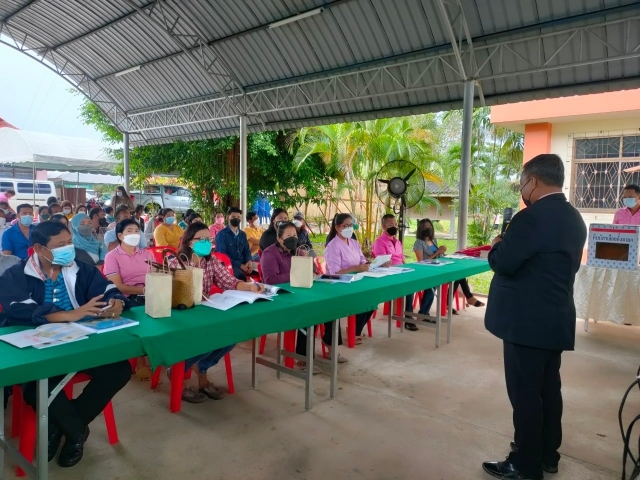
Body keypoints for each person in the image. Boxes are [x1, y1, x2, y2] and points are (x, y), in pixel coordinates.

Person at [482, 154, 587, 480]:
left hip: (526, 322)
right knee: (548, 389)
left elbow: (504, 262)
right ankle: (547, 454)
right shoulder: (574, 217)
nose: (522, 189)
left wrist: (497, 245)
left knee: (525, 394)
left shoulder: (530, 218)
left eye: (523, 182)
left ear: (534, 181)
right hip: (555, 318)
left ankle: (525, 464)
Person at [0, 221, 131, 468]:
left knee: (119, 369)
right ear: (39, 249)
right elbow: (18, 310)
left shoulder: (81, 268)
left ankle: (62, 428)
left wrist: (116, 302)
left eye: (70, 242)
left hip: (80, 340)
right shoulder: (16, 275)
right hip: (37, 346)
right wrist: (69, 314)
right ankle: (76, 432)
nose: (69, 248)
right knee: (37, 385)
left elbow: (107, 289)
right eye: (61, 244)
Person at [169, 222, 264, 403]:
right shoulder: (176, 262)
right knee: (207, 337)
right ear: (190, 241)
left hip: (205, 311)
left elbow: (229, 281)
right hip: (181, 314)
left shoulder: (210, 261)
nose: (207, 243)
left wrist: (250, 286)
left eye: (209, 239)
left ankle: (201, 367)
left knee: (230, 335)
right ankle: (178, 372)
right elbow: (171, 294)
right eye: (202, 239)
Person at [261, 221, 321, 374]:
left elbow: (313, 272)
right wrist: (296, 273)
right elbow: (271, 280)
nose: (293, 238)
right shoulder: (270, 254)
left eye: (295, 235)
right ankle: (303, 359)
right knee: (307, 314)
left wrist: (308, 262)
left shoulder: (298, 251)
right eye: (289, 235)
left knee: (321, 308)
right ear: (279, 238)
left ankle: (328, 346)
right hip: (278, 298)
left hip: (297, 294)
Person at [323, 213, 376, 361]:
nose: (349, 228)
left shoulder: (354, 243)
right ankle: (334, 342)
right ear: (337, 227)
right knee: (339, 309)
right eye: (346, 226)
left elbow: (362, 261)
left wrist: (375, 263)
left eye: (351, 225)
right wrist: (356, 268)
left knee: (372, 299)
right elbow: (334, 272)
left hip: (356, 280)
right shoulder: (333, 246)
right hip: (338, 284)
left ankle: (355, 330)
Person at [414, 218, 484, 314]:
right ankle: (466, 297)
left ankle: (460, 299)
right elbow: (421, 261)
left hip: (439, 266)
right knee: (446, 279)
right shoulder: (419, 243)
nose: (428, 229)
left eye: (430, 226)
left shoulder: (433, 240)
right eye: (425, 227)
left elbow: (438, 255)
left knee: (459, 273)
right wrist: (437, 252)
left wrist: (442, 251)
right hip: (428, 269)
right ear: (421, 229)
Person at [372, 214, 418, 331]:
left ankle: (412, 314)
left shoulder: (398, 242)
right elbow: (381, 261)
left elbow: (402, 258)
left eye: (395, 224)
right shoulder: (379, 242)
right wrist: (386, 264)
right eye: (391, 225)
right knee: (408, 286)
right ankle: (408, 317)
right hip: (388, 273)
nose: (394, 227)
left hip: (400, 270)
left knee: (413, 282)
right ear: (384, 226)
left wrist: (407, 267)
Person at [215, 207, 253, 281]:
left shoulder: (243, 234)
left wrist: (249, 261)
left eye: (238, 217)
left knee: (261, 270)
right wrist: (240, 265)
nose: (236, 219)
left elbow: (247, 251)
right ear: (227, 218)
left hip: (244, 263)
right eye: (233, 217)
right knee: (241, 277)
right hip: (230, 265)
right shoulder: (221, 235)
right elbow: (223, 256)